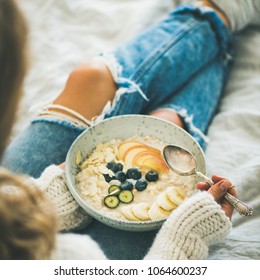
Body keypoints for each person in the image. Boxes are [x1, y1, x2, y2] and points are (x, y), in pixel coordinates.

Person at [0, 0, 241, 260]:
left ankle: (219, 15)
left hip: (14, 209)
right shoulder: (77, 256)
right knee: (168, 128)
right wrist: (185, 241)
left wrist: (42, 203)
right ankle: (224, 18)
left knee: (89, 78)